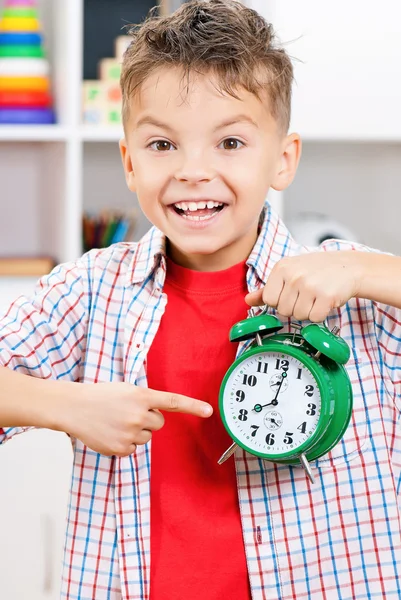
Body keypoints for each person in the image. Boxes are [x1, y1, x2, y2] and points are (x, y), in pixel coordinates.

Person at [1, 1, 400, 598]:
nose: (193, 170)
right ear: (129, 163)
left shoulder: (354, 291)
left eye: (230, 142)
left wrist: (364, 268)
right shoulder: (89, 292)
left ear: (283, 158)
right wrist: (66, 405)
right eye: (162, 145)